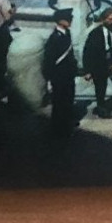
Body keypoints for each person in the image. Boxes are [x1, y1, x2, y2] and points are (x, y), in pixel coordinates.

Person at [43, 8, 79, 136]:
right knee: (59, 103)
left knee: (68, 101)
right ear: (60, 21)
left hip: (68, 76)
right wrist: (49, 78)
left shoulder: (66, 34)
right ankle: (58, 129)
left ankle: (65, 126)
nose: (70, 21)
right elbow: (49, 59)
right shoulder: (54, 38)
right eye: (68, 19)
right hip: (59, 77)